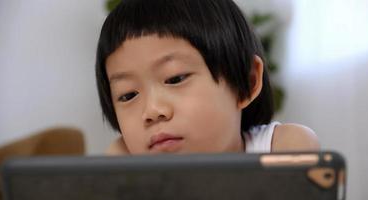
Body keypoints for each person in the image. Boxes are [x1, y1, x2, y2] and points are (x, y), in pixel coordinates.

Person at [95, 0, 319, 155]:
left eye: (175, 79)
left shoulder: (282, 148)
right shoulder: (123, 163)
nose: (152, 111)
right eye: (128, 95)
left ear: (247, 82)